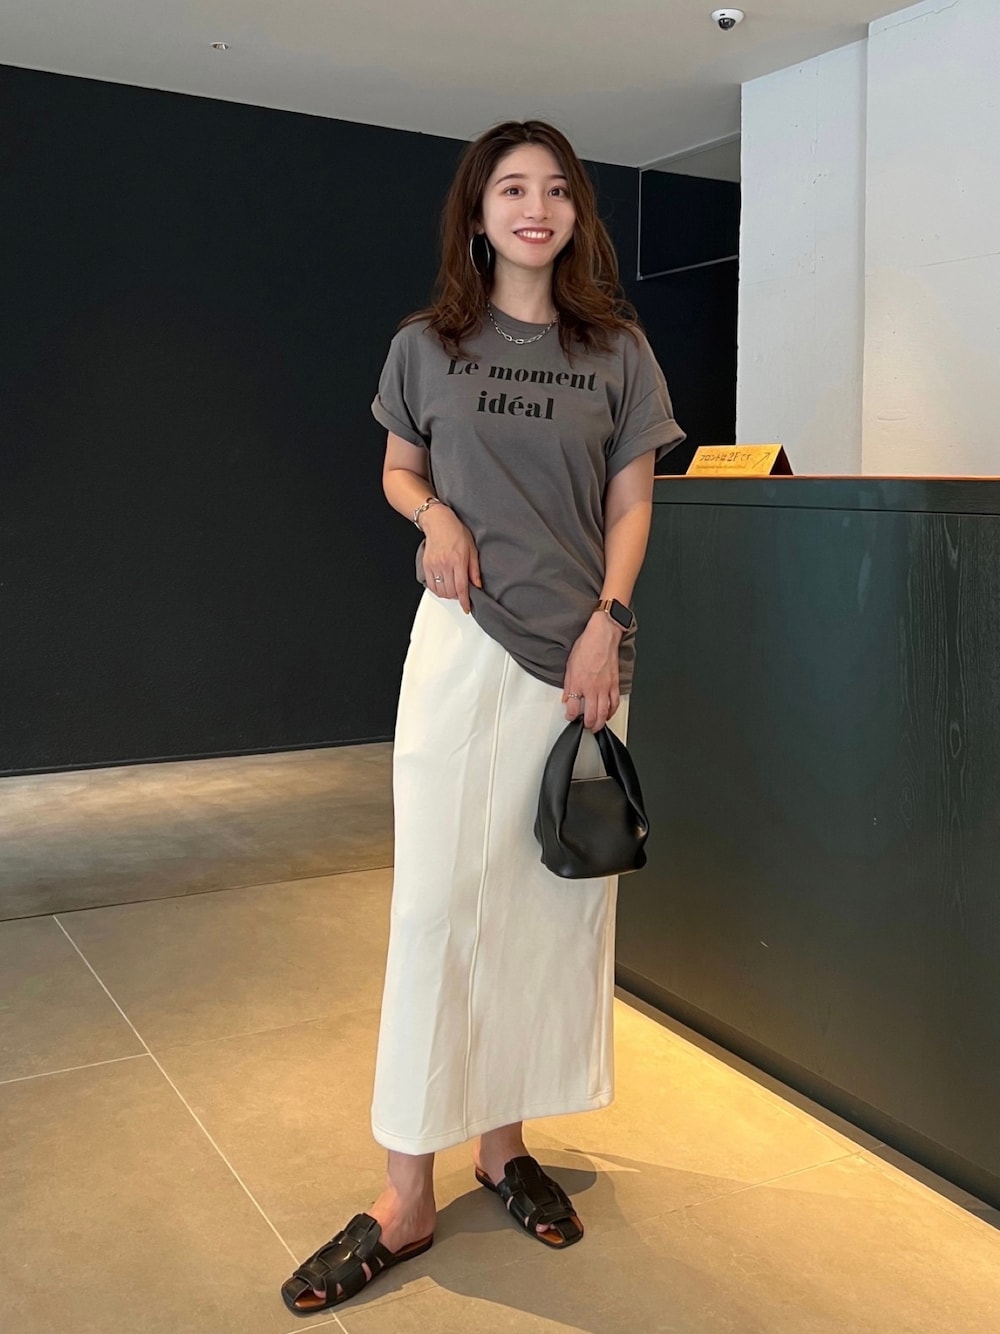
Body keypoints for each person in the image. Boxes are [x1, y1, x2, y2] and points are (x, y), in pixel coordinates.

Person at [280, 119, 685, 1316]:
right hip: (461, 647)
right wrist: (434, 516)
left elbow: (632, 503)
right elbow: (399, 467)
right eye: (512, 187)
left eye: (555, 189)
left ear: (576, 215)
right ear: (478, 211)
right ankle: (403, 1189)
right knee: (434, 910)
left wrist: (610, 621)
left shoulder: (617, 350)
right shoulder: (428, 344)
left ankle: (502, 1148)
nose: (535, 206)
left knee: (541, 908)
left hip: (580, 661)